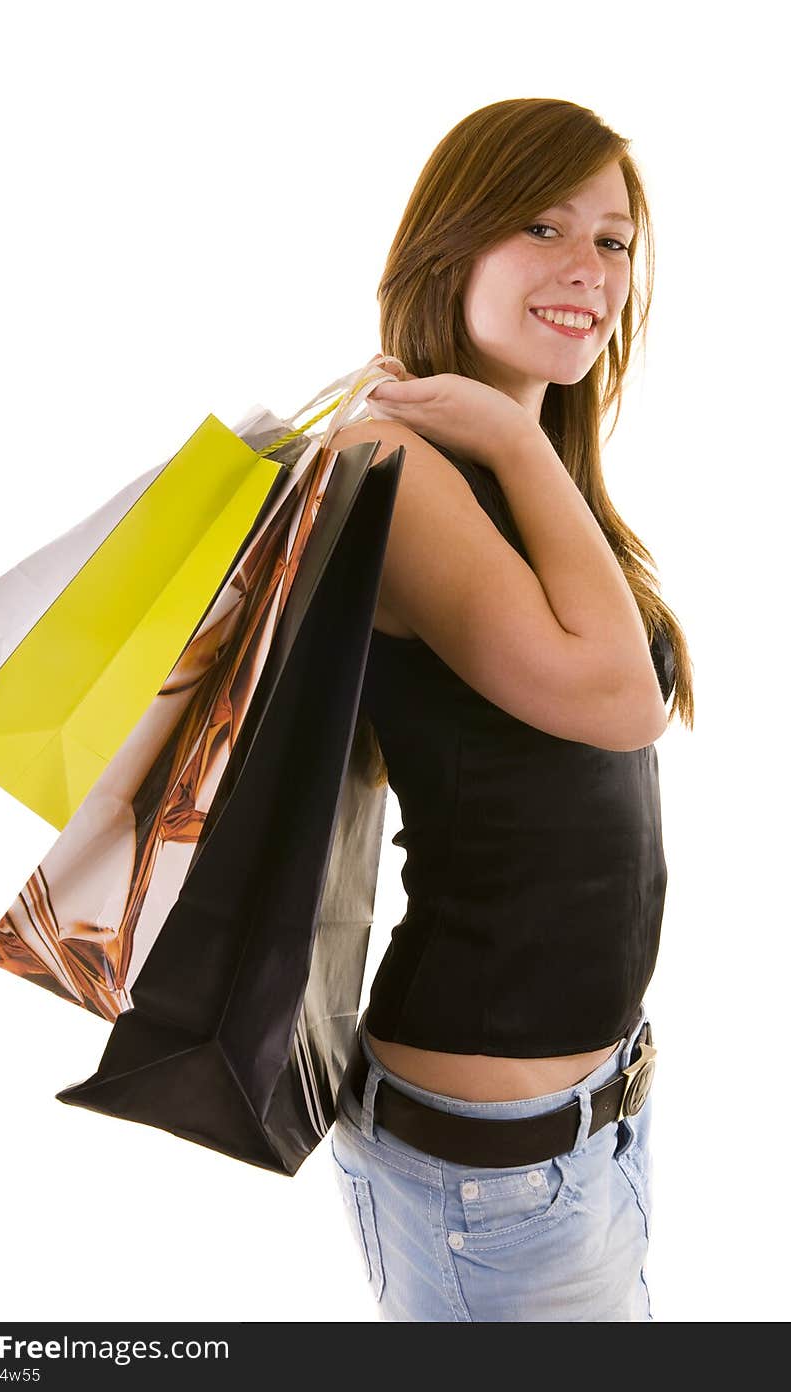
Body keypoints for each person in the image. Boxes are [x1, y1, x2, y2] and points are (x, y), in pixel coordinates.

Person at [325, 97, 694, 1322]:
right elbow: (620, 707)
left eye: (615, 240)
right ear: (449, 243)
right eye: (544, 225)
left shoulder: (510, 460)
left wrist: (523, 445)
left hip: (578, 1132)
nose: (588, 270)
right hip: (490, 1169)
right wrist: (514, 442)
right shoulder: (402, 460)